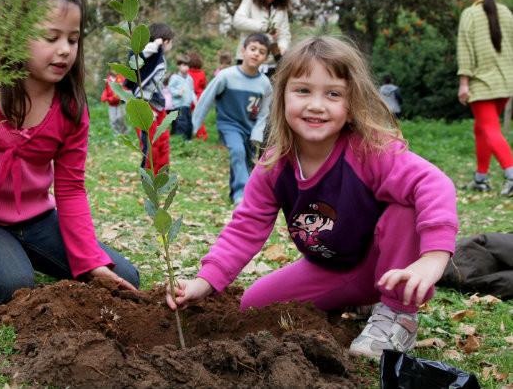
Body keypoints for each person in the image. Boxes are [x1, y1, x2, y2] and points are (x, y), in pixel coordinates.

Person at [170, 36, 458, 361]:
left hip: (388, 267)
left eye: (333, 94)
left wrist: (433, 257)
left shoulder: (370, 151)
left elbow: (436, 184)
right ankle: (359, 299)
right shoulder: (274, 166)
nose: (316, 104)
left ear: (351, 105)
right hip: (329, 267)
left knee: (405, 205)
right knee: (253, 306)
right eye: (303, 90)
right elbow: (245, 227)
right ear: (281, 98)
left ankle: (396, 314)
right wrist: (205, 281)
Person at [0, 0, 140, 307]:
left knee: (123, 278)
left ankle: (14, 254)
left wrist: (91, 262)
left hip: (38, 222)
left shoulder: (71, 109)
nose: (65, 50)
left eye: (73, 39)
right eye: (51, 37)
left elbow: (70, 189)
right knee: (13, 286)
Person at [192, 33, 273, 204]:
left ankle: (236, 192)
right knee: (237, 151)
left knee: (246, 160)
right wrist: (194, 125)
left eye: (261, 51)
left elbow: (265, 112)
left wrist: (257, 133)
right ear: (243, 51)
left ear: (265, 58)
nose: (256, 53)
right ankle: (241, 195)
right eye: (252, 49)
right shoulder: (226, 76)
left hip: (249, 127)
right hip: (229, 124)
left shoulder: (265, 83)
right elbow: (206, 98)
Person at [457, 0, 513, 197]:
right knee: (481, 128)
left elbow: (465, 51)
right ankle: (481, 178)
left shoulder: (469, 15)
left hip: (482, 85)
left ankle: (511, 175)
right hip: (505, 85)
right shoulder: (506, 13)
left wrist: (464, 83)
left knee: (490, 129)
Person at [123, 22, 174, 175]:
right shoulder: (148, 55)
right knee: (150, 143)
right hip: (145, 105)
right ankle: (149, 174)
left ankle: (162, 172)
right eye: (170, 42)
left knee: (163, 139)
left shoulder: (160, 58)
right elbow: (136, 56)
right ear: (164, 42)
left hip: (158, 105)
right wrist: (155, 44)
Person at [233, 0, 292, 77]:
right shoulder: (249, 2)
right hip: (247, 62)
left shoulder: (281, 10)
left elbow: (285, 34)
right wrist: (265, 28)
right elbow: (238, 21)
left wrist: (282, 49)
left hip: (271, 65)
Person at [168, 54, 197, 140]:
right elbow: (171, 89)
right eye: (184, 65)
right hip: (179, 105)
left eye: (188, 65)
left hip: (187, 104)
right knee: (181, 123)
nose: (186, 68)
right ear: (179, 66)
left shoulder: (189, 78)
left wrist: (195, 100)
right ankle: (181, 140)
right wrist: (177, 92)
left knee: (189, 123)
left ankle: (188, 139)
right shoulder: (174, 77)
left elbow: (192, 90)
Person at [100, 65, 128, 136]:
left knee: (120, 117)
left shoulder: (122, 78)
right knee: (113, 119)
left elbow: (127, 89)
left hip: (121, 102)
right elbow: (106, 89)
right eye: (112, 69)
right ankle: (115, 134)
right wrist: (104, 97)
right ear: (110, 70)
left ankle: (124, 132)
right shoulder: (108, 79)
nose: (114, 71)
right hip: (111, 102)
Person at [188, 52, 208, 140]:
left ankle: (188, 135)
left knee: (188, 116)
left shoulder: (187, 73)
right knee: (199, 116)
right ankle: (200, 135)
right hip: (199, 97)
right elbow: (203, 85)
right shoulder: (202, 74)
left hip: (189, 97)